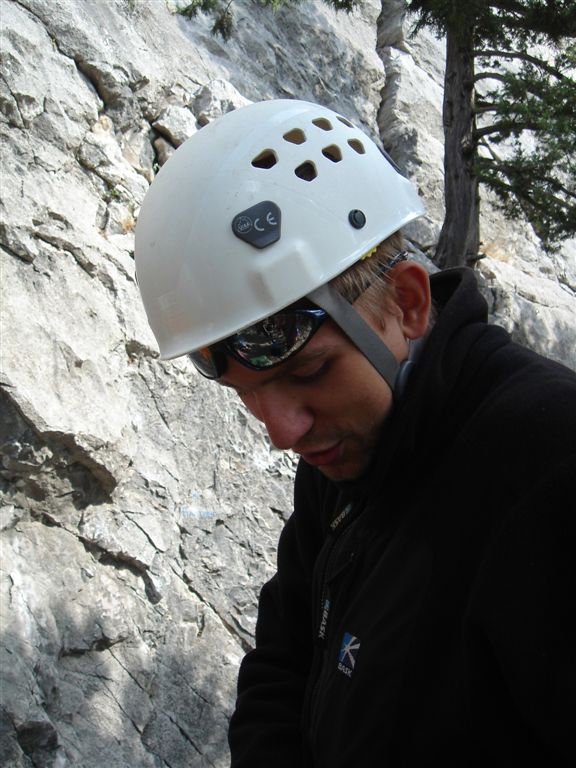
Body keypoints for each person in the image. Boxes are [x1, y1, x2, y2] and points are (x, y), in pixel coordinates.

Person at [135, 99, 576, 766]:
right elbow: (283, 662)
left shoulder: (550, 469)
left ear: (407, 302)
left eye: (310, 371)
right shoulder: (348, 452)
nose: (283, 432)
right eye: (247, 396)